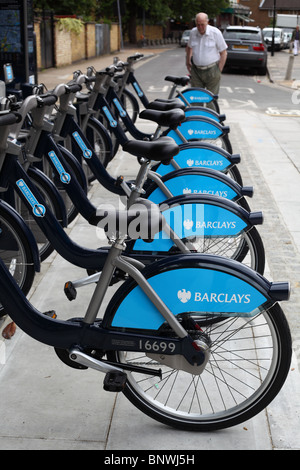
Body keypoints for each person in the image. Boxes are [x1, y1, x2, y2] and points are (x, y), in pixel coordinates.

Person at [186, 12, 227, 97]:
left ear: (207, 22)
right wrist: (188, 62)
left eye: (202, 24)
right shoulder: (193, 32)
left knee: (211, 99)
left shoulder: (215, 33)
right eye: (198, 25)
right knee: (196, 98)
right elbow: (189, 47)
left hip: (212, 70)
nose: (200, 27)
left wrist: (218, 70)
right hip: (196, 71)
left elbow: (223, 52)